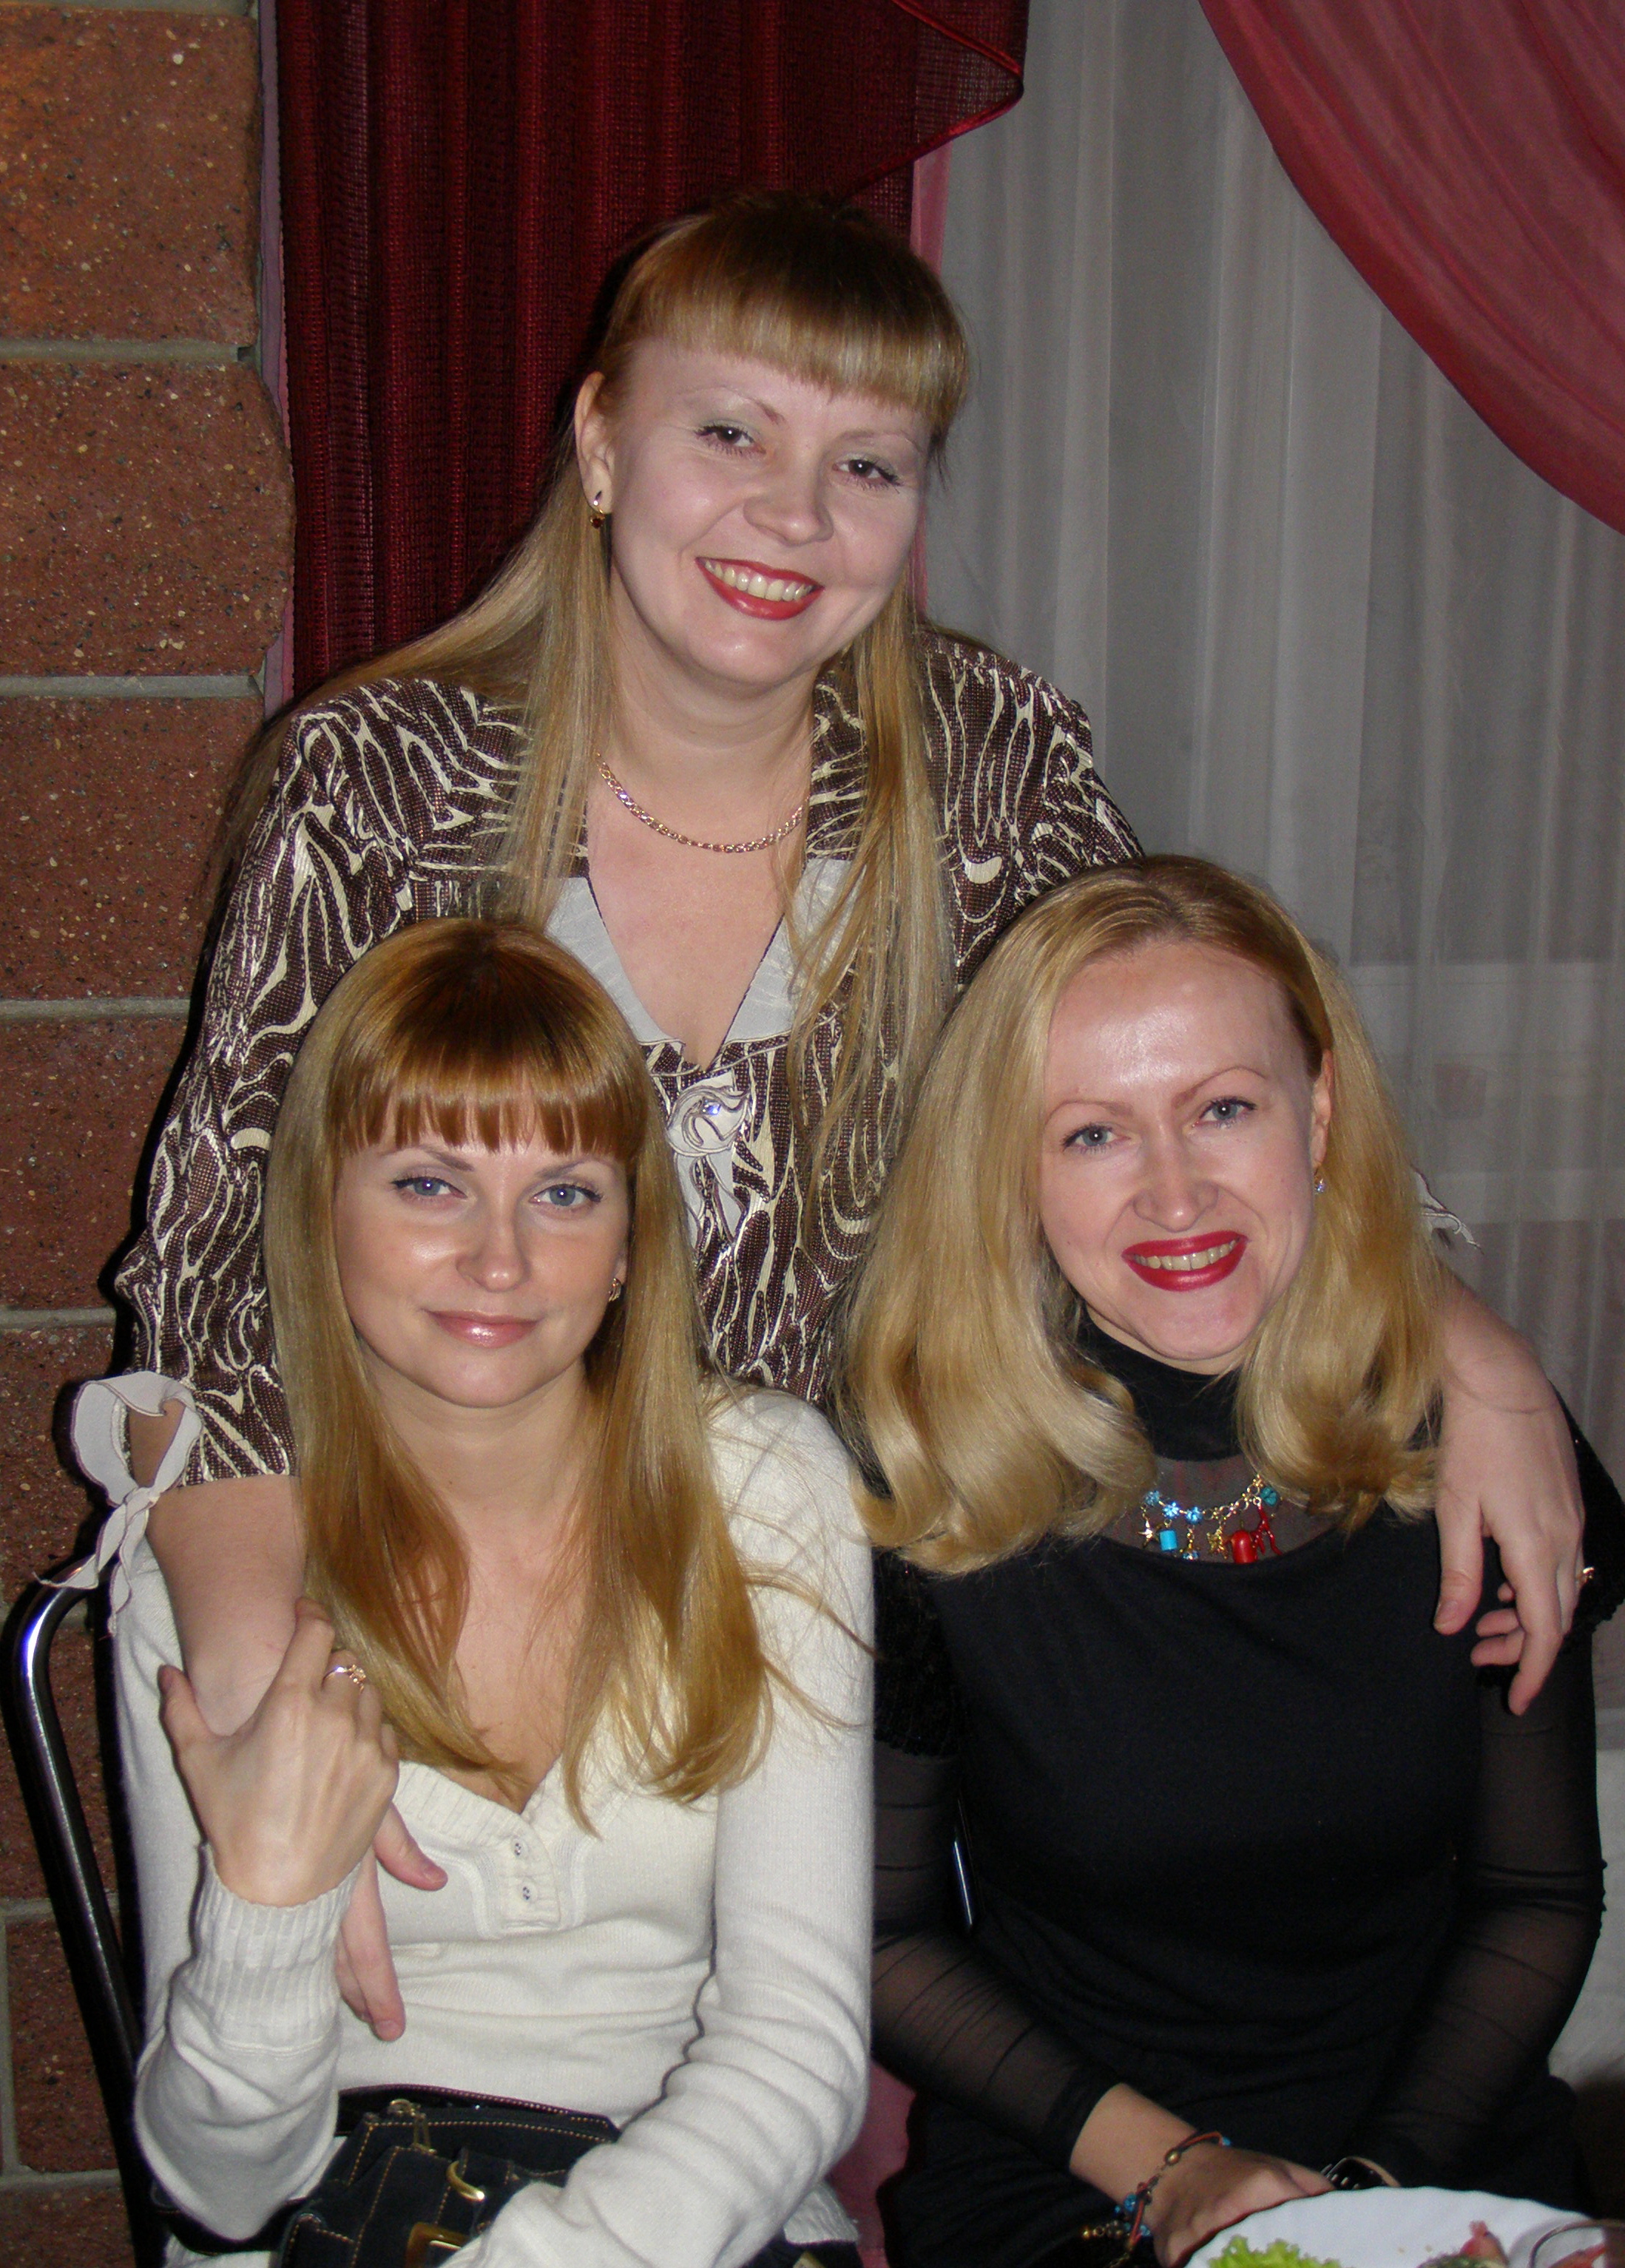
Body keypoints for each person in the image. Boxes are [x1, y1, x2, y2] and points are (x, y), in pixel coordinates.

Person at [116, 192, 1582, 2017]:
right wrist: (273, 1703)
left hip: (829, 1647)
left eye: (866, 463)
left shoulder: (981, 758)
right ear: (599, 443)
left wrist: (1480, 1357)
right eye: (730, 433)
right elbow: (211, 1281)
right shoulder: (376, 781)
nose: (793, 517)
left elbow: (1184, 1058)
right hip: (440, 1622)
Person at [840, 857, 1618, 2268]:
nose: (1174, 1192)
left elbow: (1536, 1896)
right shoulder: (922, 1483)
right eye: (1091, 1134)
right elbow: (884, 1936)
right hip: (1077, 2178)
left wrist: (1369, 2204)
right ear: (1009, 1170)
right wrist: (1177, 2171)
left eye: (1222, 1109)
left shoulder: (1480, 1442)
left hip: (1440, 2162)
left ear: (1315, 1116)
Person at [87, 918, 872, 2268]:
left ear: (629, 1242)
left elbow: (796, 2045)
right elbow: (215, 2193)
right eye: (428, 1185)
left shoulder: (760, 1490)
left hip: (698, 2210)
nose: (500, 1260)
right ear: (322, 1214)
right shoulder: (214, 1580)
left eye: (563, 1193)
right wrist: (267, 1910)